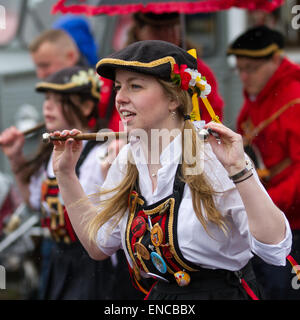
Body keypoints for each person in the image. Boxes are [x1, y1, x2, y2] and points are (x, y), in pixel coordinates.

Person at [50, 40, 292, 300]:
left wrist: (238, 169)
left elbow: (275, 247)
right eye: (119, 87)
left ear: (174, 99)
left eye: (135, 86)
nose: (120, 98)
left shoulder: (212, 154)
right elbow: (98, 245)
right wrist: (66, 175)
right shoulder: (127, 161)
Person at [0, 66, 126, 299]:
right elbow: (36, 204)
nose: (47, 105)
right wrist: (15, 158)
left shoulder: (102, 154)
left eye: (59, 100)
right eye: (47, 99)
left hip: (90, 264)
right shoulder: (53, 154)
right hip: (57, 259)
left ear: (87, 106)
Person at [227, 25, 300, 300]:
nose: (244, 76)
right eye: (240, 68)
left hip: (292, 222)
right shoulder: (256, 98)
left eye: (252, 68)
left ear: (275, 60)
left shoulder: (294, 99)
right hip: (265, 216)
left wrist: (265, 203)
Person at [98, 12, 224, 132]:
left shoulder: (196, 71)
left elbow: (211, 114)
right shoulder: (118, 68)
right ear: (138, 30)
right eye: (158, 28)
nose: (167, 33)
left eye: (173, 26)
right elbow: (100, 113)